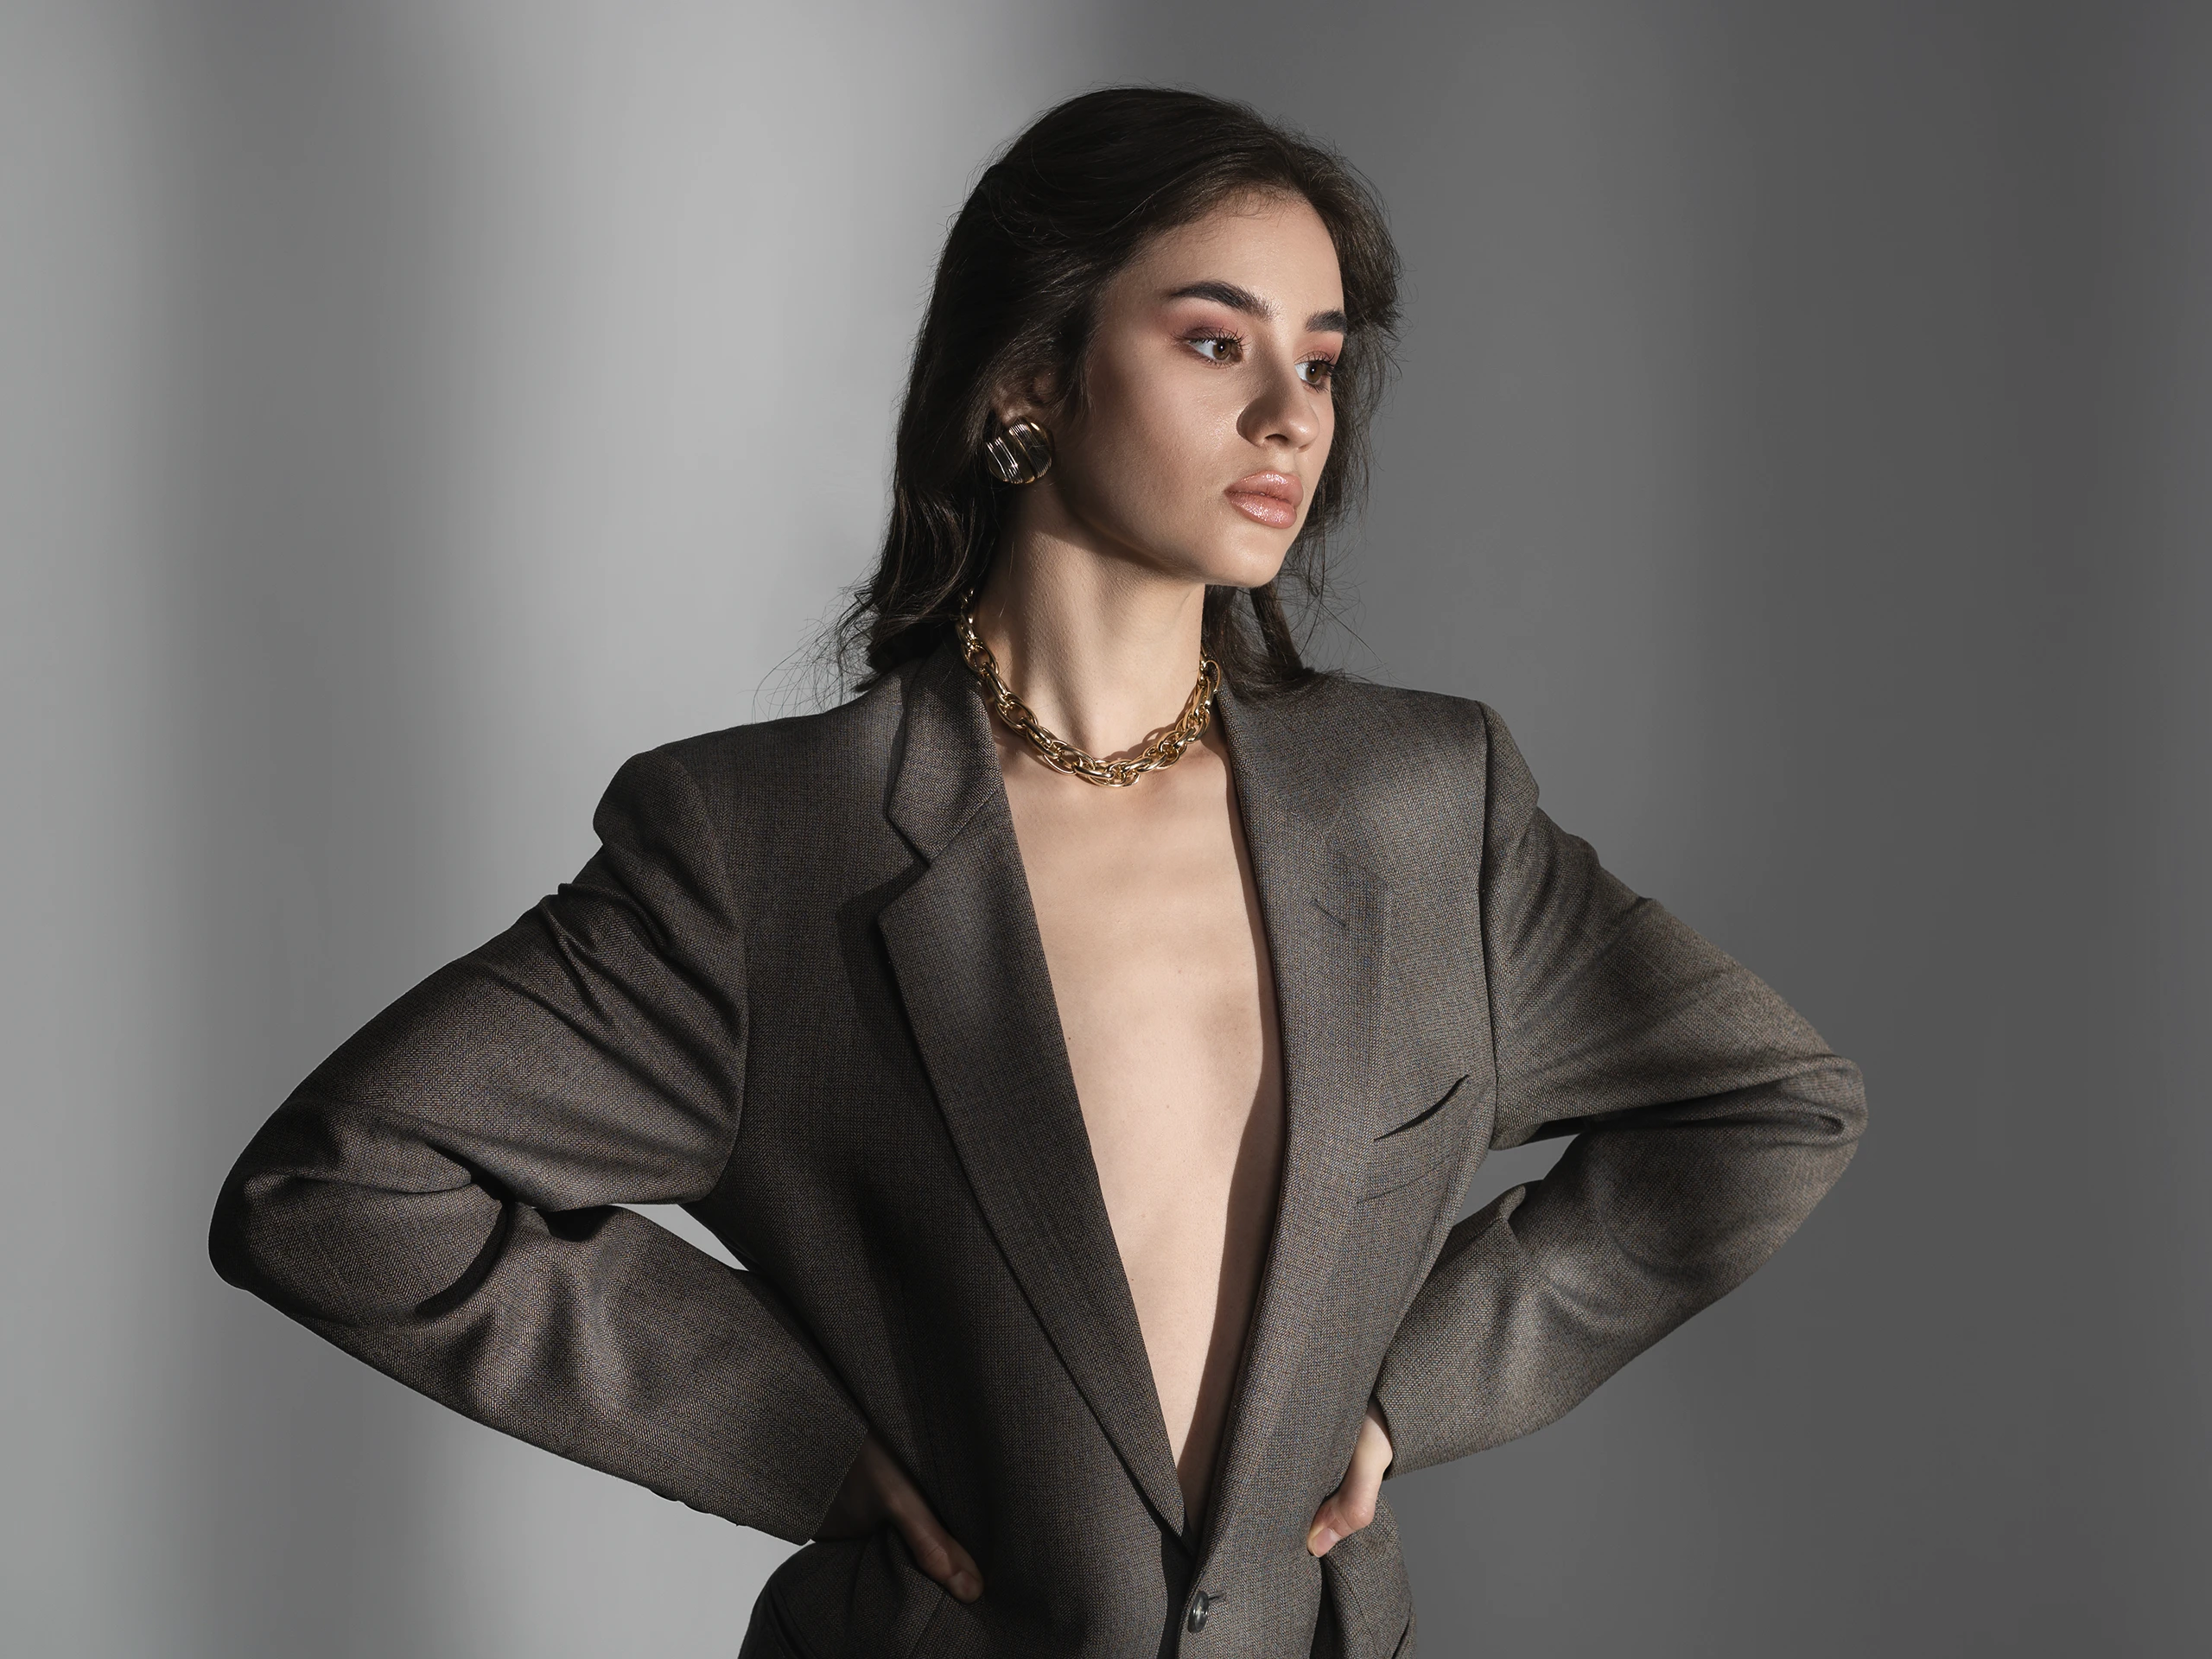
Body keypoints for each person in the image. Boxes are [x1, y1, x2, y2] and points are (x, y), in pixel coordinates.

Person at [209, 86, 1866, 1659]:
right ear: (1026, 383)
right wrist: (791, 1439)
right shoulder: (766, 846)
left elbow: (1769, 1107)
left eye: (1322, 358)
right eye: (1216, 341)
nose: (1292, 412)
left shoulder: (1428, 808)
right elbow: (340, 1190)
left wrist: (1410, 1388)